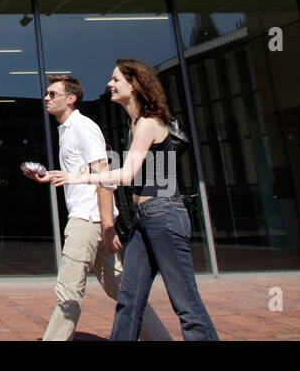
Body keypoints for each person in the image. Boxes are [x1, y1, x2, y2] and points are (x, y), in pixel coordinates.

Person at [42, 59, 218, 341]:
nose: (109, 84)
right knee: (128, 298)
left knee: (186, 305)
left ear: (134, 85)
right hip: (144, 219)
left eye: (116, 80)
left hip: (165, 214)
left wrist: (77, 178)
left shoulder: (148, 123)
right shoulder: (134, 123)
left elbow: (125, 174)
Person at [24, 75, 170, 341]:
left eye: (52, 94)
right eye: (46, 93)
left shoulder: (83, 127)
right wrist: (49, 176)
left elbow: (103, 175)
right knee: (124, 291)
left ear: (71, 99)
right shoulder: (66, 128)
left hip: (87, 220)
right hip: (92, 219)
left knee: (68, 292)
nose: (46, 98)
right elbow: (82, 173)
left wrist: (107, 225)